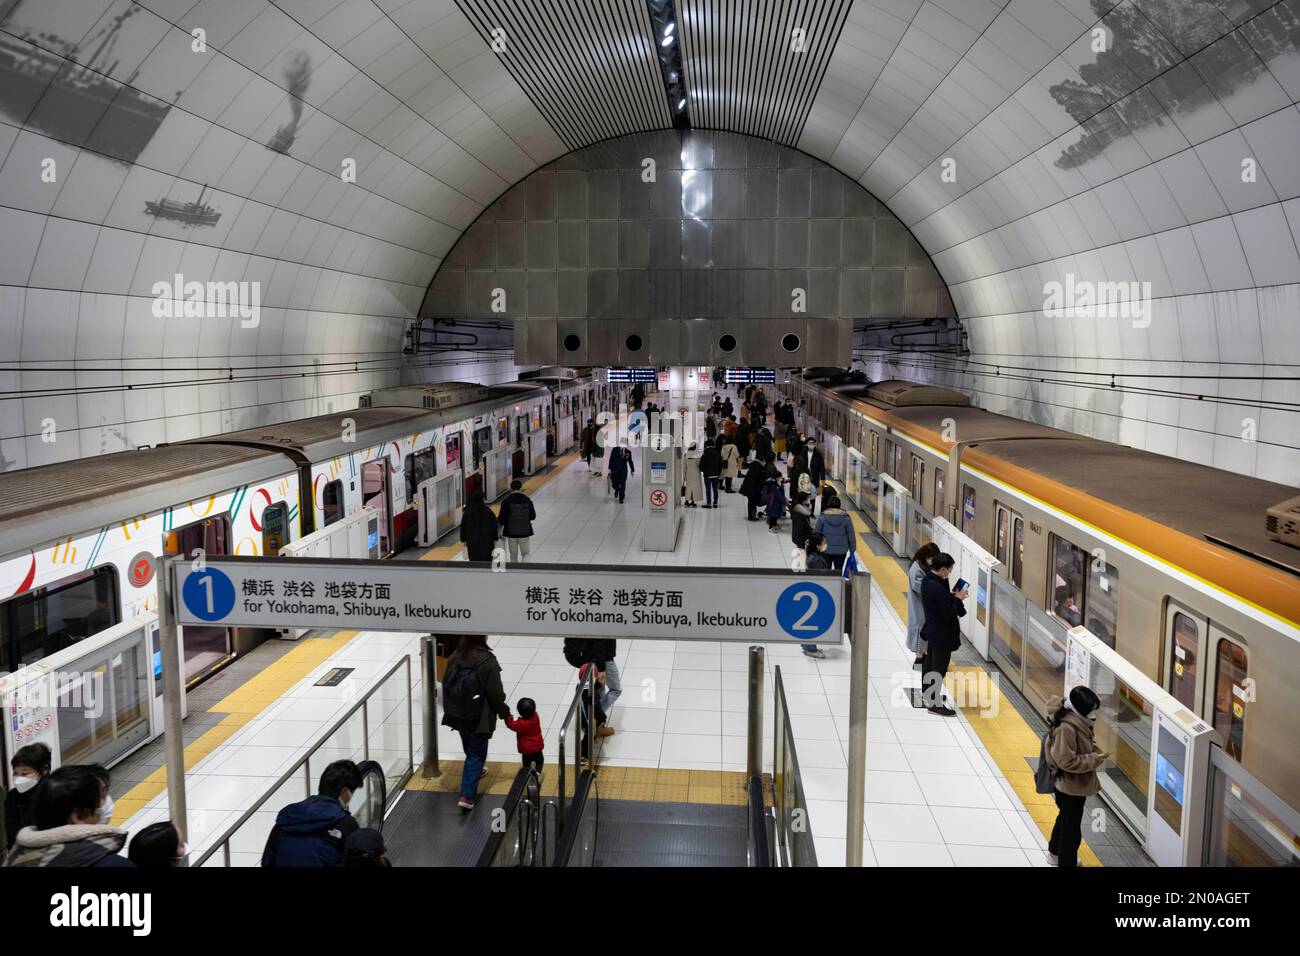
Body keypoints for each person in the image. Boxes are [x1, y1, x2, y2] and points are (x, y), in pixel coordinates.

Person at [4, 764, 132, 868]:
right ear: (78, 817)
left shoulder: (17, 856)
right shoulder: (110, 864)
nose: (108, 801)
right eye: (103, 797)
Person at [440, 636, 510, 811]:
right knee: (476, 754)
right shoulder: (488, 661)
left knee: (469, 745)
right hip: (479, 715)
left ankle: (476, 771)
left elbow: (445, 682)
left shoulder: (455, 655)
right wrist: (504, 712)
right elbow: (495, 693)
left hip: (457, 712)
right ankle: (467, 796)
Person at [1043, 686, 1108, 867]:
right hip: (1069, 786)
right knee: (1071, 830)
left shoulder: (1073, 719)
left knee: (1065, 818)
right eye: (1091, 709)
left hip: (1071, 784)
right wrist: (1093, 759)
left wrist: (1093, 751)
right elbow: (1066, 761)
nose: (1093, 713)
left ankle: (1054, 853)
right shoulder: (1067, 728)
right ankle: (1066, 862)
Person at [262, 759, 362, 866]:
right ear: (344, 792)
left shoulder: (288, 819)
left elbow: (267, 862)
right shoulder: (346, 824)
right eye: (352, 793)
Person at [919, 553, 968, 717]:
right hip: (941, 633)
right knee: (938, 668)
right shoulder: (936, 586)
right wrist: (959, 599)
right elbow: (947, 611)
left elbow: (940, 602)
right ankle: (934, 704)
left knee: (930, 663)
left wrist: (951, 596)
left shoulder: (929, 580)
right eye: (949, 570)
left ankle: (928, 693)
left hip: (933, 630)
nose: (950, 573)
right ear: (942, 570)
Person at [562, 637, 620, 736]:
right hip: (602, 658)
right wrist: (601, 668)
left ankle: (593, 721)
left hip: (594, 656)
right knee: (615, 690)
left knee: (599, 688)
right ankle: (593, 718)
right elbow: (599, 643)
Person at [5, 743, 50, 852]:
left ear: (44, 769)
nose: (18, 779)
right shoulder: (13, 796)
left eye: (25, 773)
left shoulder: (54, 792)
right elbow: (11, 830)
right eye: (15, 773)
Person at [907, 542, 941, 671]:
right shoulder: (916, 569)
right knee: (920, 631)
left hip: (924, 607)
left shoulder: (923, 566)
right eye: (932, 558)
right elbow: (920, 588)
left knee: (923, 631)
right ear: (926, 556)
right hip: (919, 607)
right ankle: (919, 659)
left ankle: (922, 656)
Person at [497, 479, 535, 561]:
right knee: (525, 554)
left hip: (511, 533)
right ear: (521, 488)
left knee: (513, 555)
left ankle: (514, 571)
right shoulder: (526, 500)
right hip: (525, 531)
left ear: (511, 489)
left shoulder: (506, 501)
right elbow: (533, 516)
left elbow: (501, 520)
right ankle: (525, 568)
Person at [814, 495, 855, 571]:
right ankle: (837, 582)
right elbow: (851, 534)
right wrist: (852, 549)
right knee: (838, 570)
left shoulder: (823, 517)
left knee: (826, 571)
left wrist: (815, 547)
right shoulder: (846, 518)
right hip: (841, 550)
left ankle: (828, 582)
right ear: (839, 506)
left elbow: (817, 533)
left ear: (828, 505)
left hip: (825, 550)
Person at [504, 698, 545, 774]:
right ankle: (538, 773)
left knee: (526, 764)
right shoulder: (536, 716)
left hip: (526, 750)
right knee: (540, 760)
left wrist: (507, 716)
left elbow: (511, 724)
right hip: (537, 746)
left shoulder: (521, 724)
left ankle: (527, 775)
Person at [458, 489, 499, 562]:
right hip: (487, 543)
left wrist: (463, 538)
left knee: (474, 562)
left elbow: (463, 528)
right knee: (487, 562)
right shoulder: (488, 512)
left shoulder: (467, 513)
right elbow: (494, 526)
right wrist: (495, 537)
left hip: (472, 543)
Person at [739, 454, 766, 520]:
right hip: (752, 489)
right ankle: (751, 516)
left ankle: (751, 515)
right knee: (752, 502)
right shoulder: (758, 467)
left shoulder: (754, 465)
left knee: (751, 502)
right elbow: (759, 478)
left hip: (748, 487)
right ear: (761, 461)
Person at [700, 437, 723, 508]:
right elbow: (720, 464)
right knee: (715, 489)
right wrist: (719, 472)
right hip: (715, 474)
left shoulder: (705, 454)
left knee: (708, 489)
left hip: (707, 475)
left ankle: (709, 503)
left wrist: (703, 470)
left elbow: (702, 465)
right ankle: (715, 503)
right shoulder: (717, 454)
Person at [683, 441, 702, 508]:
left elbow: (684, 467)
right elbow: (699, 464)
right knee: (694, 487)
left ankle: (686, 501)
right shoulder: (698, 455)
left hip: (688, 472)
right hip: (696, 472)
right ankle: (693, 501)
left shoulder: (686, 455)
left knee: (688, 487)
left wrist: (684, 475)